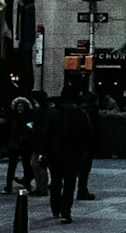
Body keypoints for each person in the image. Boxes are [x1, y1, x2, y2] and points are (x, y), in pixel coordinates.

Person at [37, 86, 91, 224]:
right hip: (74, 152)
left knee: (55, 180)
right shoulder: (81, 113)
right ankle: (66, 211)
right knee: (70, 182)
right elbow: (88, 134)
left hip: (55, 151)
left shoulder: (53, 112)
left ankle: (55, 207)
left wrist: (42, 151)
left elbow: (46, 133)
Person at [3, 95, 36, 194]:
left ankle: (27, 185)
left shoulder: (27, 118)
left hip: (24, 144)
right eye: (18, 107)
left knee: (25, 165)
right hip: (15, 143)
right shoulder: (15, 118)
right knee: (12, 166)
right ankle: (9, 185)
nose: (19, 108)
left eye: (21, 106)